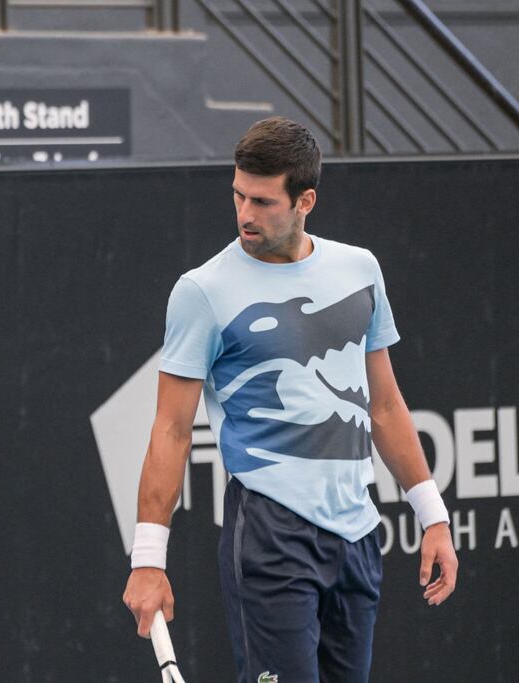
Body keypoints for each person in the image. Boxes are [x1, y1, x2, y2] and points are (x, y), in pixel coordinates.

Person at [122, 116, 457, 682]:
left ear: (306, 201)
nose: (245, 214)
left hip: (357, 535)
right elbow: (171, 431)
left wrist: (434, 517)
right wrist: (148, 562)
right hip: (270, 534)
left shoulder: (360, 271)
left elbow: (386, 406)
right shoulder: (202, 292)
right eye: (238, 196)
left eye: (263, 201)